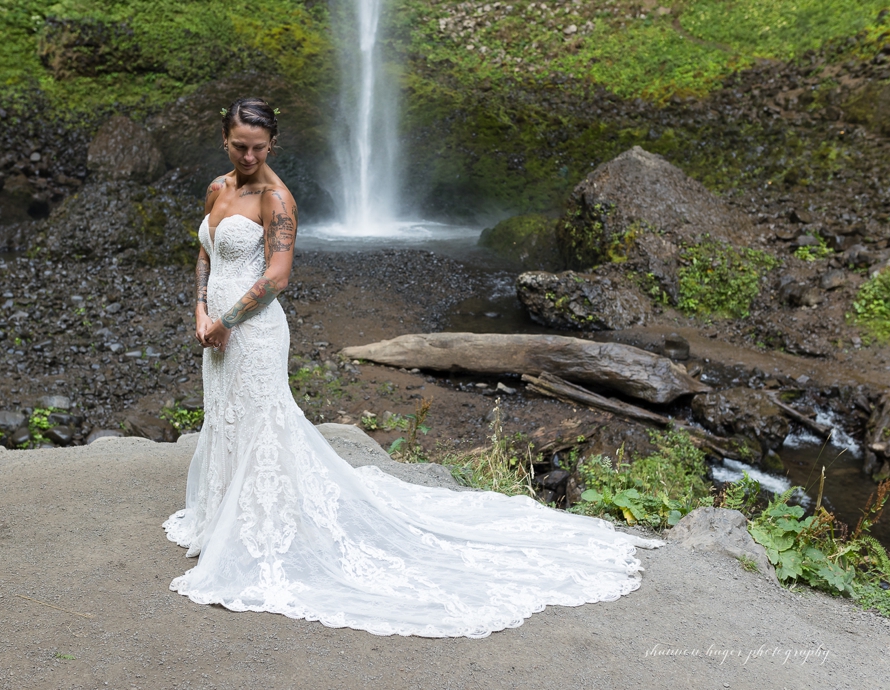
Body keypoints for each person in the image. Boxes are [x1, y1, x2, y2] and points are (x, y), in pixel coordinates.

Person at [163, 98, 659, 637]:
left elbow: (278, 276)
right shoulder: (218, 188)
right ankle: (222, 518)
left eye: (259, 148)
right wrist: (200, 309)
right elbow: (206, 253)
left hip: (253, 332)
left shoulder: (277, 199)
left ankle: (261, 529)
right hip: (216, 329)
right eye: (240, 146)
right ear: (225, 139)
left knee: (262, 419)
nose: (249, 156)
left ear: (273, 145)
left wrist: (228, 320)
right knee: (227, 415)